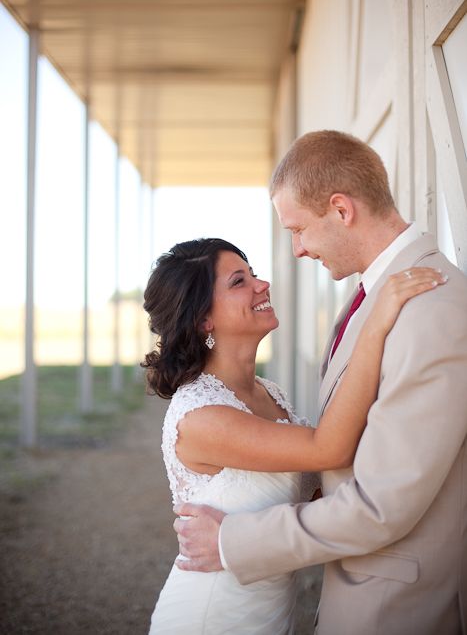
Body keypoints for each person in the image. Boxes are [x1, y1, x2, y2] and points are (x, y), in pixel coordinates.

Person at [174, 131, 467, 635]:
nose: (298, 250)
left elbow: (381, 503)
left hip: (398, 604)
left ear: (341, 209)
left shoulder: (429, 311)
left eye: (299, 229)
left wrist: (234, 541)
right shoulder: (378, 298)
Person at [143, 236, 446, 634]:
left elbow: (322, 486)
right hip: (213, 615)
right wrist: (375, 326)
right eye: (239, 281)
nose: (261, 284)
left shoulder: (270, 394)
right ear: (204, 320)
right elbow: (330, 449)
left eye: (252, 273)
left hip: (271, 610)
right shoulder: (201, 416)